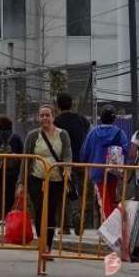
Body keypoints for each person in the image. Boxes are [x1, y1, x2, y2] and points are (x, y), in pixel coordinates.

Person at [25, 104, 73, 251]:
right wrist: (21, 182)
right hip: (36, 178)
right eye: (42, 115)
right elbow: (25, 160)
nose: (45, 118)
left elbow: (67, 153)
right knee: (39, 209)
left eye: (48, 115)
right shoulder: (33, 135)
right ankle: (41, 240)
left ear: (53, 117)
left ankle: (48, 244)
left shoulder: (63, 134)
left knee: (51, 211)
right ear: (38, 117)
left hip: (56, 179)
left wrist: (67, 168)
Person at [79, 104, 130, 221]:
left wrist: (86, 162)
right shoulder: (119, 133)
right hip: (114, 171)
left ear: (100, 117)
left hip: (97, 171)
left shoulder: (92, 133)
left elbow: (84, 152)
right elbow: (126, 150)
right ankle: (112, 227)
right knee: (111, 199)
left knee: (103, 200)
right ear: (114, 118)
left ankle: (108, 229)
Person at [55, 93, 91, 235]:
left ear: (58, 105)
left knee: (63, 193)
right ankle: (78, 215)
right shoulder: (82, 119)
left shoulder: (56, 121)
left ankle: (64, 226)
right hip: (81, 162)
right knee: (81, 193)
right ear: (72, 104)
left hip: (63, 163)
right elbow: (88, 135)